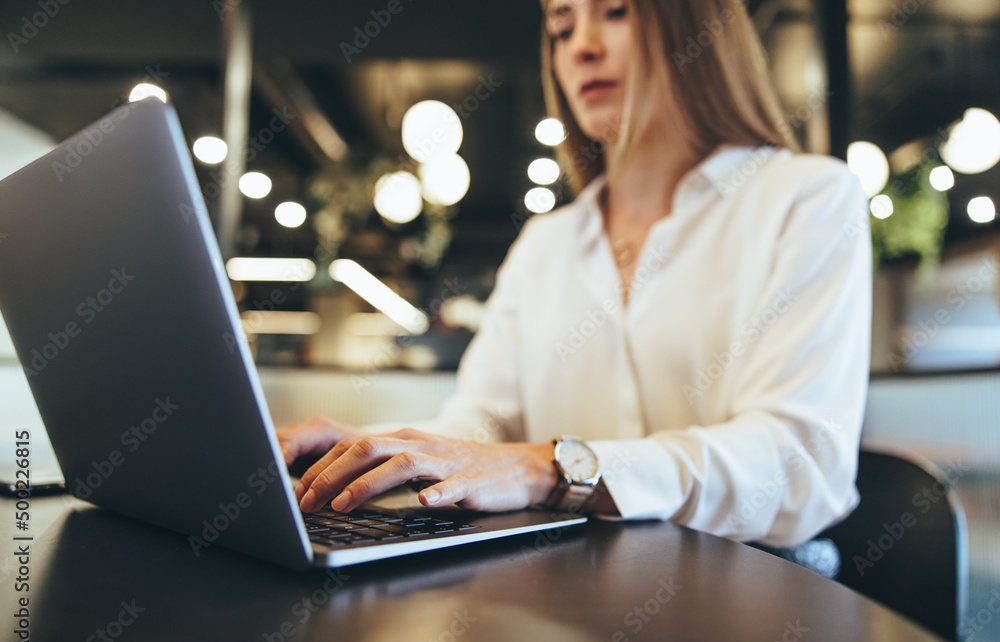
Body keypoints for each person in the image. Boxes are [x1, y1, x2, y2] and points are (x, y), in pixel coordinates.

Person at [280, 0, 872, 548]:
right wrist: (374, 452)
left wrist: (558, 467)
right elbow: (484, 423)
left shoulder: (806, 201)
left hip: (749, 603)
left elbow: (799, 464)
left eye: (615, 12)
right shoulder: (547, 242)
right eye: (562, 26)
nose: (581, 46)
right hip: (567, 599)